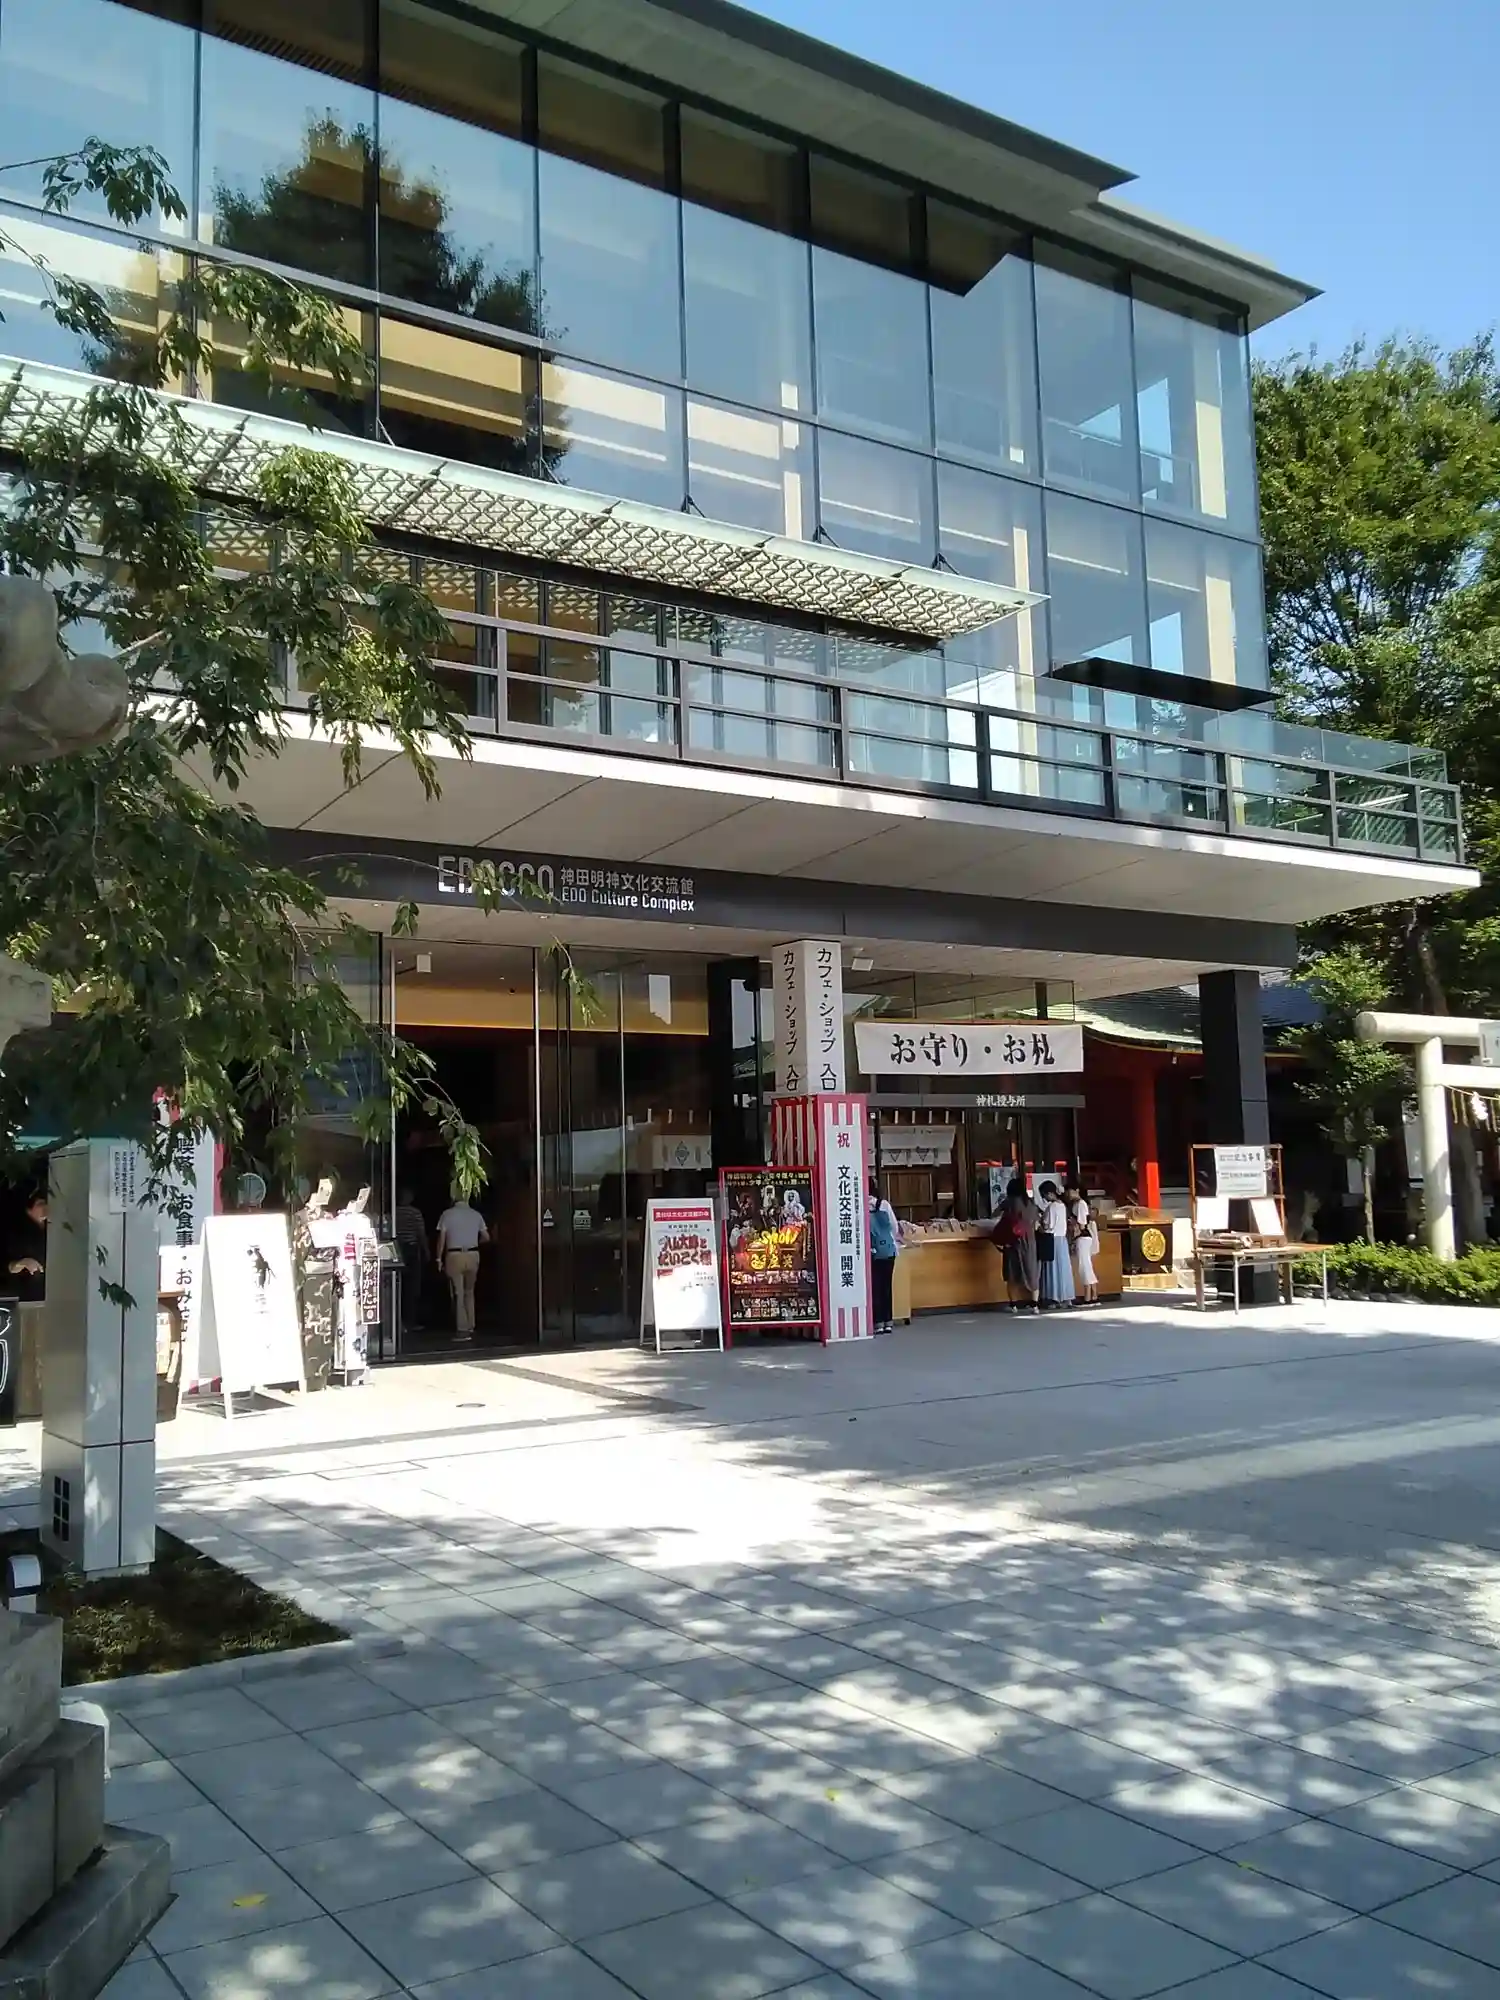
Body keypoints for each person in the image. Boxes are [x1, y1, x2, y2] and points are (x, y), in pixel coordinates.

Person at [435, 1191, 488, 1339]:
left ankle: (462, 1329)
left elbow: (442, 1239)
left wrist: (438, 1258)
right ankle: (471, 1324)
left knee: (458, 1292)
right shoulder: (476, 1215)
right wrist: (475, 1244)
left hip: (454, 1255)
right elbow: (486, 1236)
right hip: (473, 1254)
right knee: (469, 1291)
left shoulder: (447, 1215)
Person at [993, 1176, 1039, 1311]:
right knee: (1031, 1272)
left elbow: (994, 1214)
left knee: (1012, 1274)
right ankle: (1034, 1305)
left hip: (1012, 1242)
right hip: (1029, 1242)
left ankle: (1013, 1305)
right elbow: (1036, 1222)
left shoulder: (1009, 1202)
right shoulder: (1031, 1203)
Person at [393, 1186, 429, 1332]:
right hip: (411, 1250)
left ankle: (397, 1322)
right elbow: (421, 1233)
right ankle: (410, 1321)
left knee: (397, 1287)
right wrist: (426, 1251)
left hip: (396, 1250)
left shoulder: (393, 1212)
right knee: (412, 1287)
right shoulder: (415, 1213)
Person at [868, 1178, 901, 1335]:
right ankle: (889, 1321)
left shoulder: (860, 1205)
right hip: (888, 1251)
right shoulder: (884, 1205)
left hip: (873, 1251)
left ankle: (878, 1322)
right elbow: (894, 1228)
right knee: (887, 1287)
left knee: (876, 1287)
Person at [1036, 1181, 1075, 1309]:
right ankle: (1065, 1297)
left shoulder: (1052, 1207)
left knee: (1052, 1269)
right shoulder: (1062, 1206)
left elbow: (1048, 1226)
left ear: (1050, 1193)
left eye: (1044, 1195)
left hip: (1051, 1240)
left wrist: (1039, 1224)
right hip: (1062, 1240)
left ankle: (1053, 1298)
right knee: (1063, 1269)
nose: (1044, 1198)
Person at [5, 1191, 46, 1302]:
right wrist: (23, 1262)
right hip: (29, 1292)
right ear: (29, 1210)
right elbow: (9, 1266)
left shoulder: (52, 1230)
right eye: (40, 1204)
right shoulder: (19, 1234)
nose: (45, 1207)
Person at [1066, 1178, 1100, 1306]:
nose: (1068, 1194)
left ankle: (1088, 1297)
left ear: (1077, 1190)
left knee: (1084, 1266)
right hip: (1084, 1237)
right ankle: (1093, 1295)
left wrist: (1072, 1224)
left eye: (1070, 1191)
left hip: (1082, 1237)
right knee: (1087, 1266)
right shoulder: (1078, 1204)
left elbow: (1082, 1224)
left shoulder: (1080, 1204)